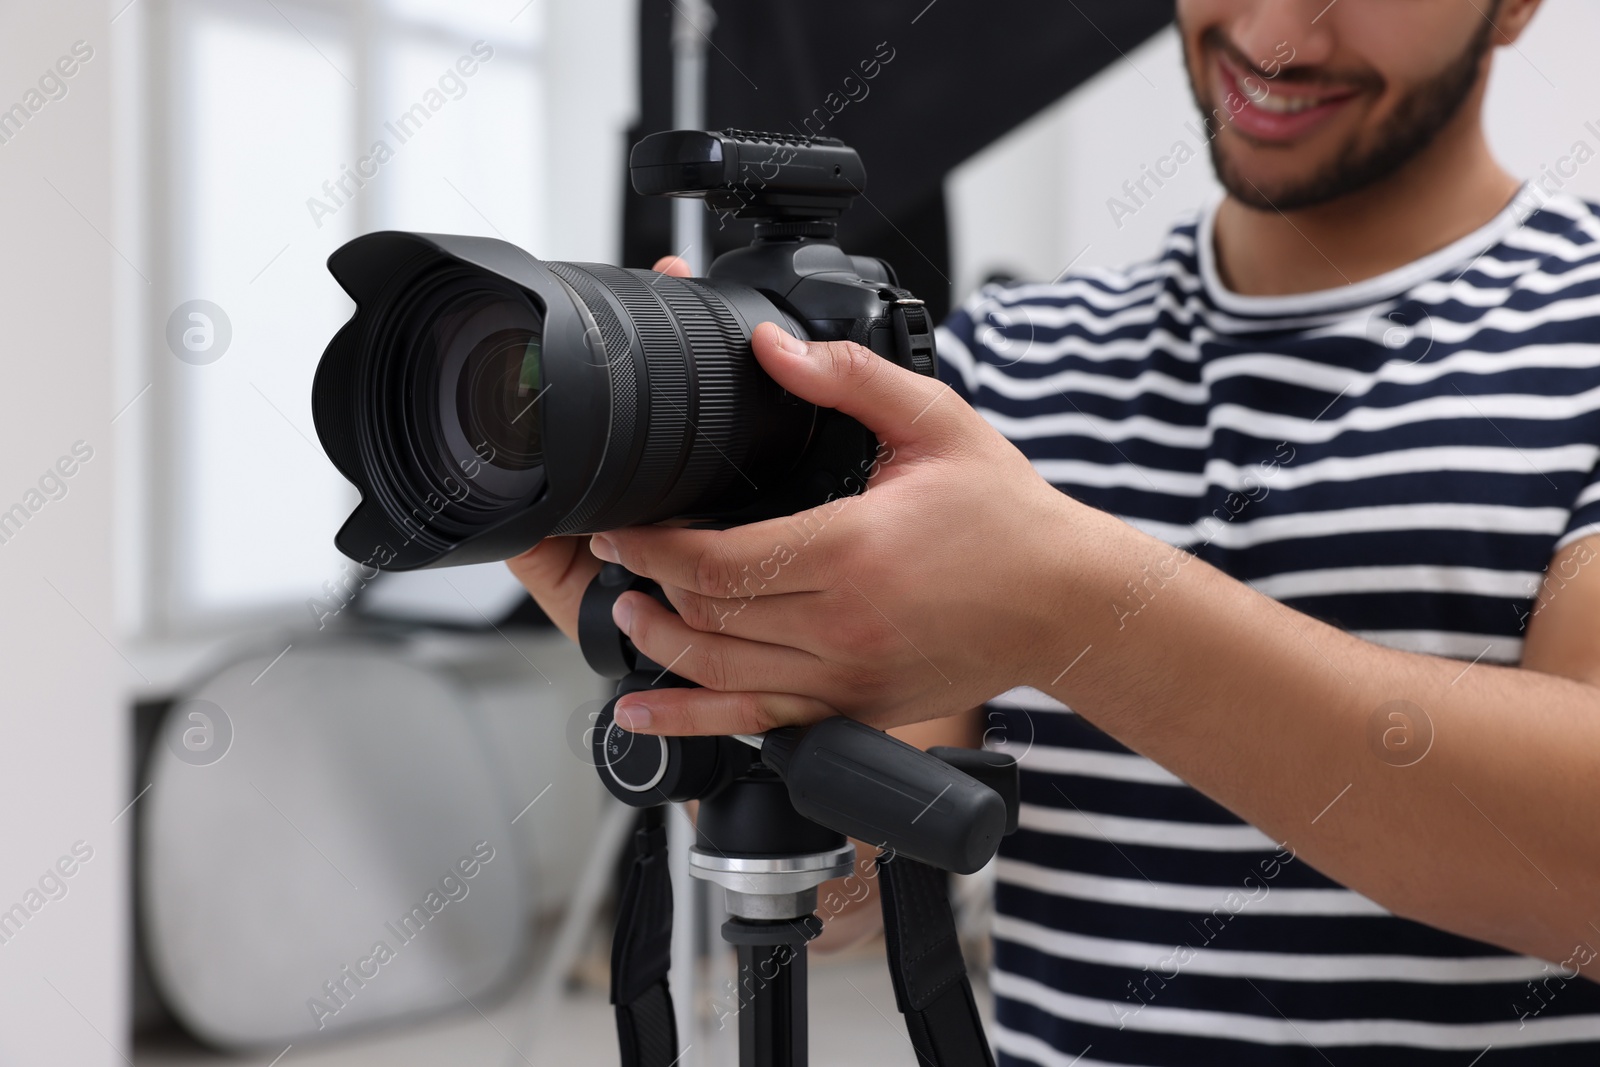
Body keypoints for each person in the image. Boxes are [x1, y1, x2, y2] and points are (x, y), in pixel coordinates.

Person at [511, 0, 1600, 1061]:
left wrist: (1080, 610)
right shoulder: (1000, 364)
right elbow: (854, 889)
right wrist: (717, 667)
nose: (1276, 34)